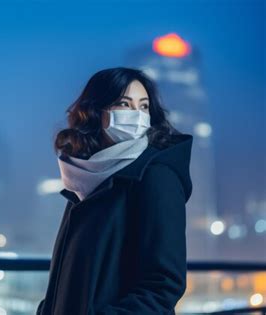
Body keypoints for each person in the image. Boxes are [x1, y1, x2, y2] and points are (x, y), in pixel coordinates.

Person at [36, 67, 193, 315]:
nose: (137, 115)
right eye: (124, 104)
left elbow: (163, 285)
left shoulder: (156, 176)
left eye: (143, 106)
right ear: (95, 112)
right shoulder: (84, 181)